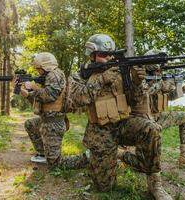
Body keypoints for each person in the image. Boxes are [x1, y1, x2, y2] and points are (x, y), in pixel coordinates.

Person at [69, 34, 172, 200]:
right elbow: (75, 100)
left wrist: (137, 83)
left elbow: (134, 100)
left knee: (151, 129)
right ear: (92, 55)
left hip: (124, 124)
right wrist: (101, 80)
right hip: (100, 133)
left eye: (111, 54)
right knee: (105, 187)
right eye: (104, 55)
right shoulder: (80, 75)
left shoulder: (119, 73)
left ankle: (155, 184)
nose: (109, 58)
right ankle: (101, 157)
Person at [17, 52, 88, 169]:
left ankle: (88, 158)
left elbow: (50, 95)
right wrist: (19, 89)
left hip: (54, 124)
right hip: (47, 121)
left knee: (55, 164)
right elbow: (34, 97)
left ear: (45, 67)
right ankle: (44, 153)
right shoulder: (49, 77)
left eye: (38, 69)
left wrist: (34, 87)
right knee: (30, 124)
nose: (37, 71)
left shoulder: (54, 75)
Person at [145, 49, 185, 169]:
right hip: (142, 119)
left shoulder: (160, 78)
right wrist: (160, 84)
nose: (162, 70)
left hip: (157, 117)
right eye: (160, 67)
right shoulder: (139, 75)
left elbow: (170, 97)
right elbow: (142, 93)